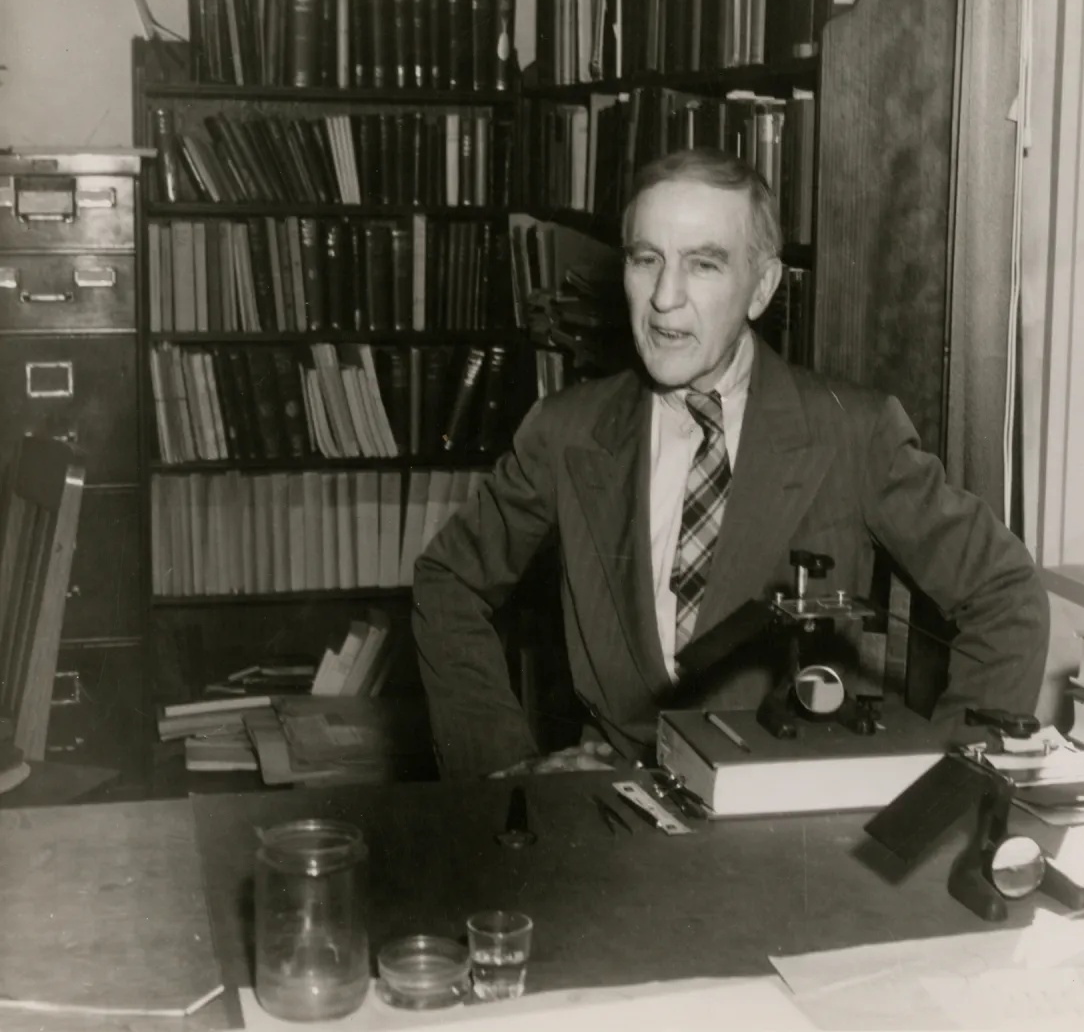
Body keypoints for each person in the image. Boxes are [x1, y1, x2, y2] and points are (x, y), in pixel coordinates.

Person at [413, 148, 1049, 780]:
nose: (665, 298)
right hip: (609, 815)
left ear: (762, 287)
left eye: (704, 264)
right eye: (646, 260)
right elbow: (449, 580)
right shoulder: (566, 430)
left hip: (784, 822)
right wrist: (502, 768)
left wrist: (952, 782)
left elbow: (1003, 594)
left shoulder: (852, 431)